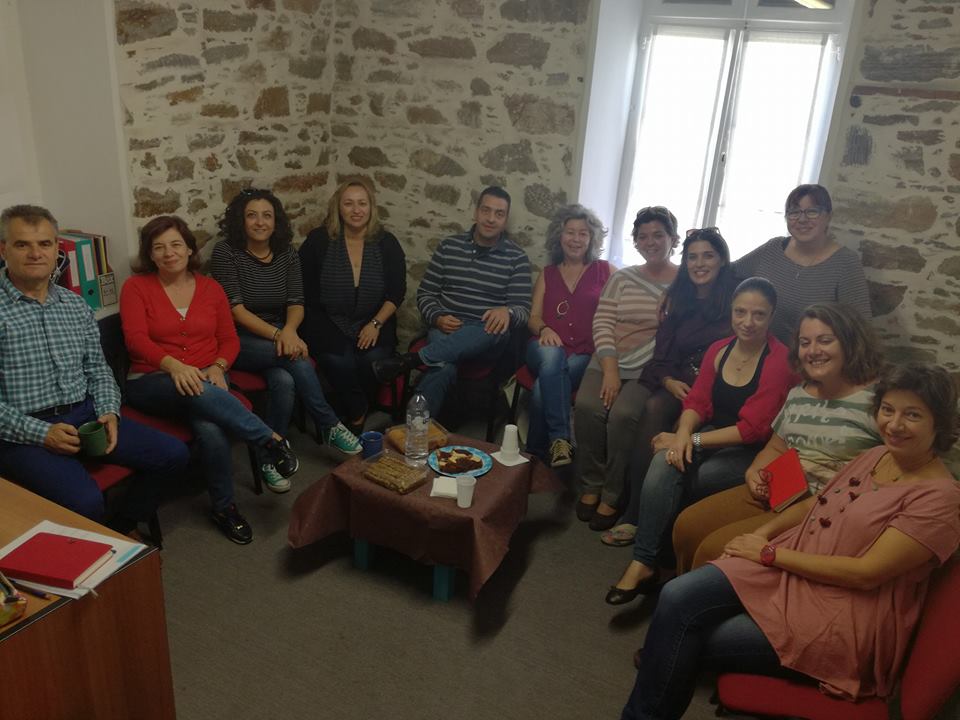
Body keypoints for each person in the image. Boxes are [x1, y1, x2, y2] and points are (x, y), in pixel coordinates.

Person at [621, 363, 960, 719]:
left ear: (939, 423)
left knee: (694, 634)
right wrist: (763, 533)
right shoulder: (877, 455)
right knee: (676, 595)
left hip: (845, 615)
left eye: (912, 415)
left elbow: (866, 573)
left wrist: (769, 553)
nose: (894, 424)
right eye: (887, 410)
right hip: (796, 572)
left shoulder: (940, 499)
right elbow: (817, 502)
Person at [606, 277, 797, 604]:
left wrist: (690, 441)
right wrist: (682, 436)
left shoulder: (780, 360)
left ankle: (669, 561)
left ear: (771, 316)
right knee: (665, 460)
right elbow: (697, 401)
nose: (748, 322)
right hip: (710, 434)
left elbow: (752, 429)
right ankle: (644, 561)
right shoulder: (719, 349)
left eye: (759, 315)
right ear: (731, 312)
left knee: (698, 475)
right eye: (740, 312)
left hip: (753, 451)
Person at [0, 205, 188, 532]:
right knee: (85, 502)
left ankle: (122, 525)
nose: (35, 253)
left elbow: (99, 370)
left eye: (44, 244)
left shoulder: (75, 305)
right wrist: (42, 433)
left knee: (174, 454)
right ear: (3, 250)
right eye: (22, 244)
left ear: (57, 249)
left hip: (85, 415)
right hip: (24, 430)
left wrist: (109, 412)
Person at [120, 215, 300, 544]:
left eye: (176, 245)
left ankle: (224, 508)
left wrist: (218, 366)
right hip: (151, 380)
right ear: (150, 254)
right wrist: (174, 366)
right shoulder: (136, 288)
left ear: (190, 249)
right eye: (158, 247)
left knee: (210, 428)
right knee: (198, 391)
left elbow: (229, 340)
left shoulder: (211, 288)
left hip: (206, 377)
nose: (168, 253)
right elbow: (135, 340)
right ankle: (269, 440)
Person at [672, 302, 885, 572]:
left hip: (823, 507)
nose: (813, 351)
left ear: (850, 343)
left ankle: (703, 590)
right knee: (687, 526)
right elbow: (775, 447)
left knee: (713, 547)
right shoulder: (799, 394)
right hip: (780, 490)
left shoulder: (876, 403)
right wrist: (755, 471)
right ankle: (686, 586)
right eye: (805, 343)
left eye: (825, 341)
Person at [603, 227, 741, 544]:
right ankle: (634, 512)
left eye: (708, 256)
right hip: (680, 381)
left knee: (684, 424)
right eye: (692, 257)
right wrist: (668, 381)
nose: (699, 264)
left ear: (722, 260)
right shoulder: (678, 299)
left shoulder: (735, 299)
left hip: (718, 386)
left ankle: (665, 520)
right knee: (653, 407)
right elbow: (662, 355)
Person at [211, 188, 361, 458]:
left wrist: (289, 331)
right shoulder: (226, 252)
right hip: (237, 339)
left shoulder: (286, 253)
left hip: (278, 336)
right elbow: (236, 311)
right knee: (297, 358)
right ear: (240, 220)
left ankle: (272, 452)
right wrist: (280, 335)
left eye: (267, 216)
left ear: (276, 221)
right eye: (252, 215)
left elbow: (296, 302)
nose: (260, 222)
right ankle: (329, 423)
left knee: (284, 380)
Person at [373, 186, 531, 418]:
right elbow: (426, 294)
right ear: (475, 212)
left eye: (499, 214)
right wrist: (437, 317)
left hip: (486, 336)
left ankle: (411, 361)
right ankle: (416, 429)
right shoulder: (449, 247)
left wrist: (507, 312)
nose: (491, 218)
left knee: (494, 329)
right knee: (443, 365)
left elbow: (523, 310)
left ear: (505, 220)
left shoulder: (517, 258)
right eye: (486, 210)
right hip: (446, 328)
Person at [572, 206, 679, 530]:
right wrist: (610, 369)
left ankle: (613, 493)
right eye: (643, 236)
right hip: (609, 358)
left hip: (647, 366)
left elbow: (677, 333)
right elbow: (603, 322)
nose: (650, 242)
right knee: (587, 406)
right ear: (635, 241)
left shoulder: (683, 283)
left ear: (672, 239)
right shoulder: (622, 278)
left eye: (658, 235)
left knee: (623, 415)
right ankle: (591, 483)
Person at [299, 176, 406, 435]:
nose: (356, 210)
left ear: (371, 207)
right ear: (338, 207)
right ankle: (358, 410)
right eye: (348, 204)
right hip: (327, 318)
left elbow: (396, 292)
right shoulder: (319, 240)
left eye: (362, 203)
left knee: (371, 360)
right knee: (338, 361)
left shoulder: (387, 243)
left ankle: (353, 406)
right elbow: (305, 289)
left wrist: (375, 324)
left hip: (374, 319)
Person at [525, 204, 612, 467]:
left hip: (585, 352)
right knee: (552, 357)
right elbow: (533, 317)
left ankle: (533, 458)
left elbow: (624, 304)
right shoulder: (548, 274)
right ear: (559, 236)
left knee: (541, 390)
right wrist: (545, 329)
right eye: (570, 232)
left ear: (591, 238)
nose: (576, 239)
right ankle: (561, 439)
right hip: (542, 346)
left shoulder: (606, 271)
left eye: (583, 233)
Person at [734, 183, 871, 344]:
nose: (802, 219)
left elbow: (861, 330)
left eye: (812, 212)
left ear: (828, 216)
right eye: (794, 212)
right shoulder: (773, 249)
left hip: (810, 357)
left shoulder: (845, 263)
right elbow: (729, 272)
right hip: (759, 353)